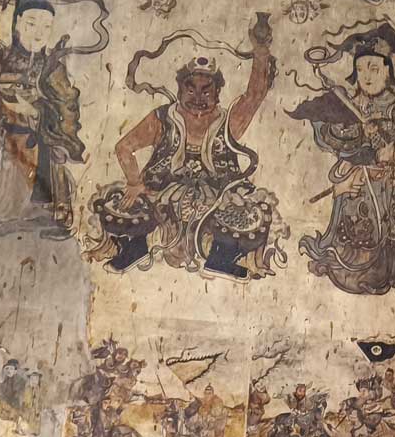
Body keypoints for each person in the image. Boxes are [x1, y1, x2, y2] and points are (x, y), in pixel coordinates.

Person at [93, 15, 283, 277]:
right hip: (161, 189)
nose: (198, 98)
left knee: (254, 212)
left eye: (206, 91)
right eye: (190, 90)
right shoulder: (163, 118)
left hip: (218, 192)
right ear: (180, 90)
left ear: (217, 93)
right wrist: (135, 182)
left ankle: (220, 259)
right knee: (116, 201)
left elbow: (254, 96)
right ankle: (135, 249)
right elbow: (124, 147)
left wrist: (261, 51)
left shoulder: (227, 122)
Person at [290, 24, 395, 295]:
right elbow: (338, 141)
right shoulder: (348, 106)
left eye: (374, 68)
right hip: (360, 186)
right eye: (361, 69)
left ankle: (394, 274)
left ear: (387, 71)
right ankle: (357, 273)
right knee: (359, 231)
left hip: (391, 185)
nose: (367, 75)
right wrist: (368, 149)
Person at [0, 0, 85, 234]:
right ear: (17, 23)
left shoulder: (52, 68)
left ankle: (47, 208)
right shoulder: (0, 58)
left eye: (46, 27)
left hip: (37, 142)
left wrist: (35, 111)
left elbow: (68, 108)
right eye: (31, 23)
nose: (38, 33)